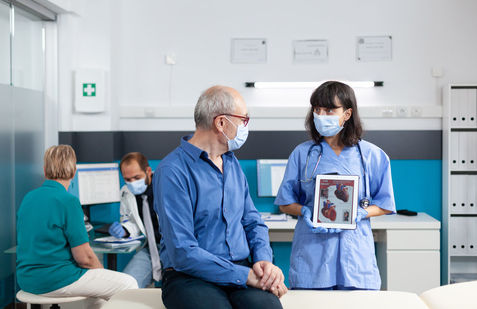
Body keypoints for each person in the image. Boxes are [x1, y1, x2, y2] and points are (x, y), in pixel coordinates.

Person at [154, 86, 287, 309]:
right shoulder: (172, 171)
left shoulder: (232, 164)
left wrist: (263, 261)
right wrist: (245, 276)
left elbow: (253, 222)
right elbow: (183, 252)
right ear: (221, 123)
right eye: (244, 119)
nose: (246, 126)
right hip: (189, 277)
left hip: (241, 268)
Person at [275, 81, 396, 290]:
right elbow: (285, 203)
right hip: (313, 254)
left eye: (330, 109)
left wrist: (359, 213)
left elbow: (385, 204)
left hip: (356, 255)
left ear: (347, 114)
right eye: (317, 109)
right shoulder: (302, 154)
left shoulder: (372, 156)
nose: (322, 114)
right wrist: (307, 211)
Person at [16, 145, 138, 309]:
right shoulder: (68, 201)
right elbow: (85, 258)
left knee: (98, 294)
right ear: (73, 172)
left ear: (45, 171)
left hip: (26, 279)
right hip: (55, 280)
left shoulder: (28, 198)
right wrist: (100, 272)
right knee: (128, 284)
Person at [107, 152, 162, 288]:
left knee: (173, 291)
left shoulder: (165, 186)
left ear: (148, 171)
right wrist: (125, 230)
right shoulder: (126, 192)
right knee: (126, 287)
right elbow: (132, 222)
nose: (133, 183)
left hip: (172, 249)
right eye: (128, 179)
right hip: (149, 249)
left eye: (137, 177)